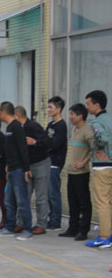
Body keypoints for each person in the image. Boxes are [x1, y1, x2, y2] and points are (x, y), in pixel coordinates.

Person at [0, 102, 33, 241]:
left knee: (22, 201)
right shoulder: (9, 127)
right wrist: (7, 166)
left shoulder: (17, 127)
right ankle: (10, 227)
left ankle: (27, 229)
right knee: (9, 201)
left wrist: (26, 169)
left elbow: (23, 149)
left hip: (18, 170)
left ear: (4, 112)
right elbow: (11, 151)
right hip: (11, 169)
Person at [14, 106, 51, 235]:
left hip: (41, 164)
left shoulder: (34, 126)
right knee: (24, 195)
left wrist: (34, 141)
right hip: (26, 166)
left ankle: (41, 224)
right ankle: (21, 222)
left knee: (41, 196)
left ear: (17, 116)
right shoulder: (17, 129)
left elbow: (47, 141)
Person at [59, 104, 93, 241]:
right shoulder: (75, 130)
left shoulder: (87, 131)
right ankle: (73, 228)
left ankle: (83, 230)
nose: (70, 117)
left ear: (80, 116)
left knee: (84, 203)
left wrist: (83, 163)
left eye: (72, 114)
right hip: (71, 173)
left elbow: (95, 148)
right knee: (73, 202)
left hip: (81, 173)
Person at [84, 90, 112, 248]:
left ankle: (104, 236)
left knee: (102, 203)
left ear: (96, 105)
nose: (87, 108)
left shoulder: (97, 123)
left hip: (102, 167)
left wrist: (99, 148)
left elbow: (103, 139)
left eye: (88, 104)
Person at [46, 96, 68, 231]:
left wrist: (44, 144)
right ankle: (51, 217)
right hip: (47, 162)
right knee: (48, 193)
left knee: (54, 193)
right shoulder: (50, 125)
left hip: (55, 162)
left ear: (58, 109)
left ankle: (56, 221)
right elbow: (44, 140)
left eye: (51, 107)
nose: (48, 109)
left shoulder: (62, 125)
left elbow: (54, 144)